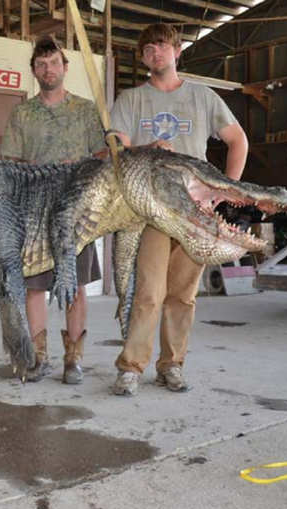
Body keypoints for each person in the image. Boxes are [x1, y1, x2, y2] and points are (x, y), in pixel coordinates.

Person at [110, 23, 248, 396]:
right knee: (148, 292)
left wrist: (222, 192)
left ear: (177, 51)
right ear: (142, 58)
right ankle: (132, 367)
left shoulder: (202, 97)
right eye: (148, 49)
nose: (156, 53)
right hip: (151, 210)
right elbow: (117, 150)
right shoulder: (130, 100)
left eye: (162, 46)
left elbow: (238, 141)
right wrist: (144, 149)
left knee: (183, 295)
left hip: (195, 211)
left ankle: (172, 365)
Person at [1, 35, 106, 385]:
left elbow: (104, 155)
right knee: (34, 287)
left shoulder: (87, 110)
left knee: (74, 286)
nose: (48, 69)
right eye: (41, 64)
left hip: (77, 212)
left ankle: (73, 358)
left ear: (65, 66)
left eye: (54, 63)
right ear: (34, 70)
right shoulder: (22, 113)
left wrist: (79, 164)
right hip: (34, 214)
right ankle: (37, 355)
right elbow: (10, 163)